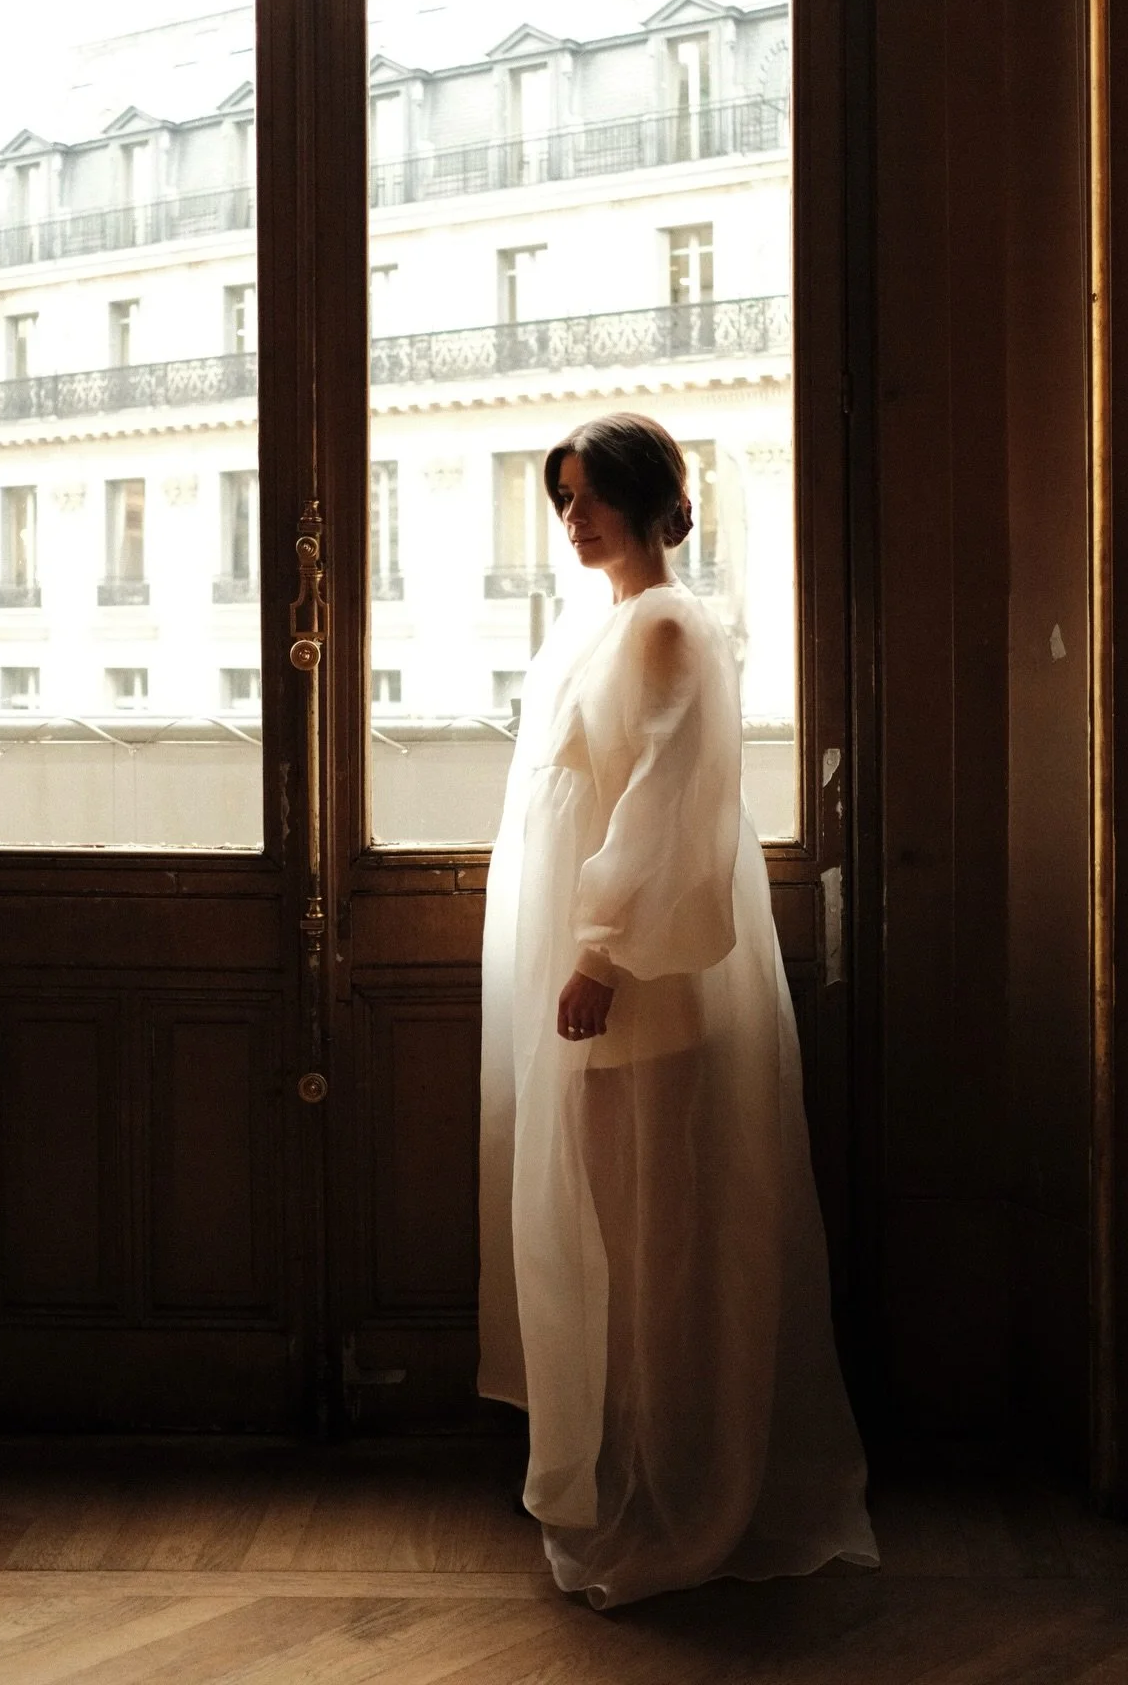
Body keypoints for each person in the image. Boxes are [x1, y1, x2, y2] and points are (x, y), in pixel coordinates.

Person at [477, 410, 878, 1609]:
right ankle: (627, 1472)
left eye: (592, 494)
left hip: (640, 984)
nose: (574, 517)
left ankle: (675, 1490)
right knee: (613, 1236)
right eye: (562, 498)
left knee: (654, 1246)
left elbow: (670, 804)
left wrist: (601, 956)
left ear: (652, 500)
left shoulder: (665, 623)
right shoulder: (598, 627)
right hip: (604, 978)